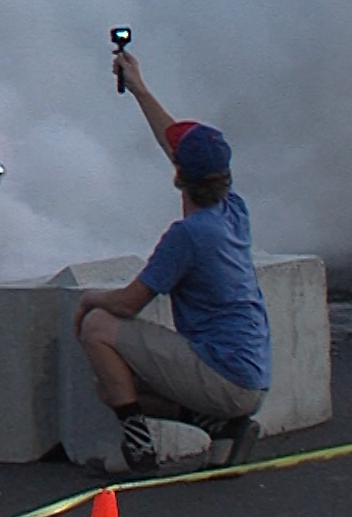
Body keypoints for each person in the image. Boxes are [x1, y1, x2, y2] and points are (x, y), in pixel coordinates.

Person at [74, 50, 271, 475]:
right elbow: (176, 145)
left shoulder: (189, 235)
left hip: (223, 374)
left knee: (98, 328)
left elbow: (127, 306)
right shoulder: (233, 211)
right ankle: (218, 429)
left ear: (179, 176)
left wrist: (89, 297)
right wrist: (139, 88)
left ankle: (139, 448)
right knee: (112, 385)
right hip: (250, 374)